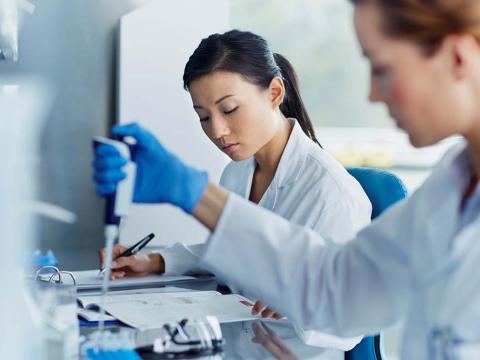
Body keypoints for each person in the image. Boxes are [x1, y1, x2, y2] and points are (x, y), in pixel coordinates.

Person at [94, 0, 480, 355]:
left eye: (382, 68)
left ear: (458, 57)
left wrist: (194, 193)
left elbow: (335, 319)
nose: (371, 96)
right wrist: (190, 198)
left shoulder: (333, 190)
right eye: (204, 116)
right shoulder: (451, 187)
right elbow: (336, 289)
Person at [95, 30, 371, 356]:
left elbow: (347, 326)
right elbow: (233, 250)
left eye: (229, 110)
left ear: (274, 93)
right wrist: (154, 260)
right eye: (203, 117)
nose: (217, 131)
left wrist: (294, 294)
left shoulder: (332, 194)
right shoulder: (237, 171)